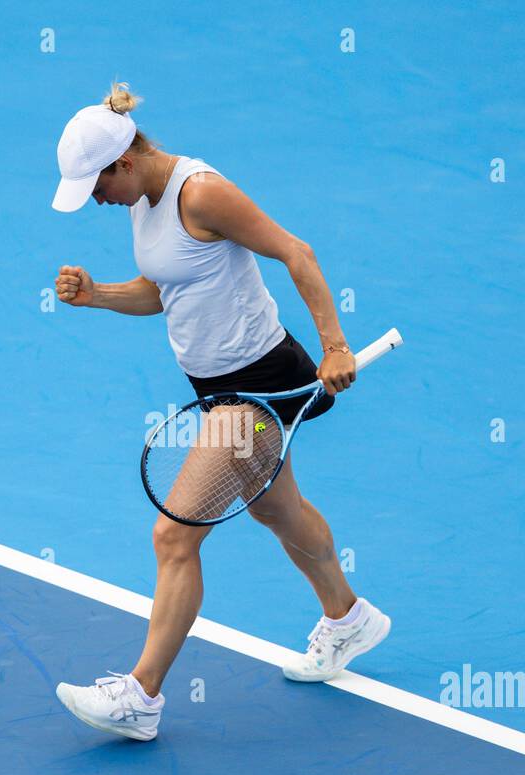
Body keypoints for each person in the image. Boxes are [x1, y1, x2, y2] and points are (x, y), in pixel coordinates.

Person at [50, 81, 390, 741]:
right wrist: (99, 296)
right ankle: (349, 618)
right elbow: (164, 287)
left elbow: (297, 253)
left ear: (121, 161)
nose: (96, 200)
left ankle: (141, 696)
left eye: (96, 186)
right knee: (276, 508)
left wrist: (336, 345)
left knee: (174, 536)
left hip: (257, 385)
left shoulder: (199, 193)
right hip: (215, 386)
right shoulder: (141, 200)